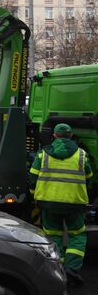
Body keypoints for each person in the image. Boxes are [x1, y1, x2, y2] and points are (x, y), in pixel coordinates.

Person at [29, 123, 93, 286]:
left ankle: (58, 268)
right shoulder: (81, 155)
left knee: (53, 235)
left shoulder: (43, 154)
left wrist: (34, 196)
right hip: (74, 204)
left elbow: (32, 178)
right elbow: (90, 178)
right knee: (77, 235)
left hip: (49, 203)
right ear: (71, 136)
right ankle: (72, 268)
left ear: (54, 136)